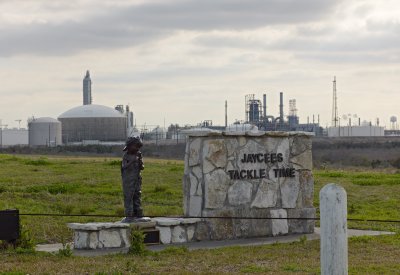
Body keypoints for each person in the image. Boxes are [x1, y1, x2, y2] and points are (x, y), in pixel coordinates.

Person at [121, 136, 145, 223]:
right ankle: (129, 215)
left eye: (138, 147)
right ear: (129, 146)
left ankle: (138, 214)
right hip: (128, 181)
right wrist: (132, 161)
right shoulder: (126, 156)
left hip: (137, 180)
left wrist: (140, 161)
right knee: (129, 197)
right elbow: (124, 166)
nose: (137, 149)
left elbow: (142, 167)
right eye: (136, 146)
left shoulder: (138, 154)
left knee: (137, 195)